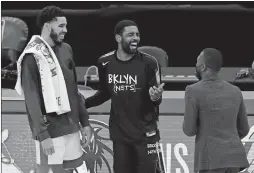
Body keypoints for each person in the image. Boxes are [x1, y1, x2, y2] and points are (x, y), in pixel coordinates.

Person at [15, 6, 92, 173]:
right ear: (47, 26)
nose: (65, 30)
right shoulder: (32, 55)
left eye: (66, 26)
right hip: (50, 130)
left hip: (71, 127)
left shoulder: (66, 49)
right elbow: (31, 99)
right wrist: (42, 135)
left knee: (69, 171)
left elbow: (73, 89)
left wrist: (85, 122)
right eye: (61, 26)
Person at [84, 20, 165, 173]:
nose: (135, 38)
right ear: (118, 38)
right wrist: (84, 104)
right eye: (130, 35)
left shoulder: (149, 63)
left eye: (137, 34)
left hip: (146, 135)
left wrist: (155, 98)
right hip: (120, 136)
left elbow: (156, 98)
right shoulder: (104, 63)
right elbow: (105, 92)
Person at [182, 48, 250, 173]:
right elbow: (244, 129)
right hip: (234, 158)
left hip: (209, 161)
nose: (195, 66)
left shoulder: (193, 90)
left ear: (202, 67)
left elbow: (189, 130)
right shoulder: (235, 91)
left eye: (197, 62)